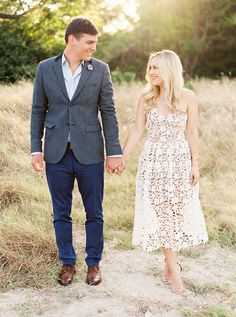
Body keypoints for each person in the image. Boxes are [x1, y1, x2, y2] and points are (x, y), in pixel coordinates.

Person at [30, 17, 124, 287]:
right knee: (61, 212)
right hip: (56, 153)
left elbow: (108, 111)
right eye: (89, 42)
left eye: (95, 43)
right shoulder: (45, 69)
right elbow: (38, 110)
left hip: (91, 153)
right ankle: (67, 262)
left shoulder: (101, 70)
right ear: (72, 39)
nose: (93, 47)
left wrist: (114, 151)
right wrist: (36, 149)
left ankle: (93, 263)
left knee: (94, 211)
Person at [122, 50, 208, 294]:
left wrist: (195, 164)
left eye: (156, 68)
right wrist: (123, 156)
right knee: (162, 214)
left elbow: (192, 132)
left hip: (179, 160)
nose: (150, 72)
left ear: (169, 69)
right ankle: (175, 269)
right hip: (154, 162)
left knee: (176, 213)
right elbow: (138, 129)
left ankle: (169, 265)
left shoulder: (188, 97)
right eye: (149, 67)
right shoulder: (147, 97)